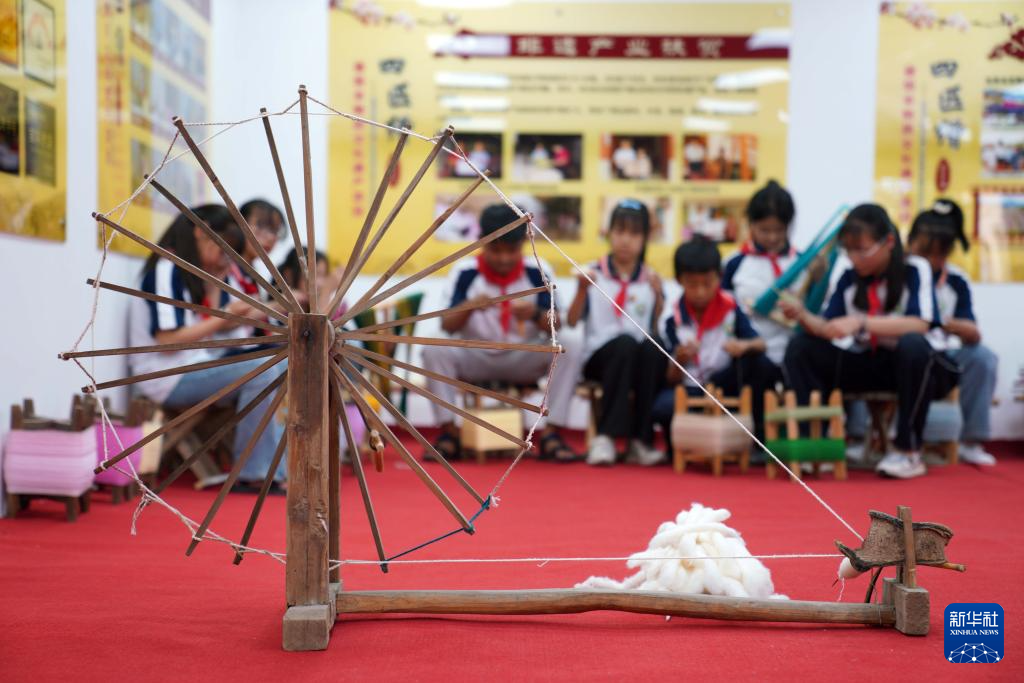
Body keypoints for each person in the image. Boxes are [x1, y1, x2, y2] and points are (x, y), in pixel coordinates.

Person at [781, 204, 959, 479]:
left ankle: (908, 450)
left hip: (922, 368)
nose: (854, 258)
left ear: (889, 242)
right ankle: (812, 445)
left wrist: (861, 322)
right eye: (849, 250)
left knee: (912, 345)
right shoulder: (849, 278)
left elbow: (920, 323)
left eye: (861, 250)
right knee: (801, 347)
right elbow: (830, 329)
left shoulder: (915, 269)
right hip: (871, 362)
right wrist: (802, 315)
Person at [128, 205, 287, 490]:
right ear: (201, 232)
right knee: (265, 370)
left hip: (196, 365)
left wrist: (221, 296)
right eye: (224, 247)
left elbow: (212, 327)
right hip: (167, 376)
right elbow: (168, 340)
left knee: (285, 361)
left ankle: (278, 468)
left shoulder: (195, 271)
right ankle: (255, 474)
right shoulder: (167, 269)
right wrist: (223, 315)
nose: (227, 257)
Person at [421, 204, 583, 462]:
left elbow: (558, 324)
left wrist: (535, 314)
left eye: (511, 250)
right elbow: (447, 325)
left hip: (524, 357)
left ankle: (552, 434)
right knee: (432, 347)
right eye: (496, 250)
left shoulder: (538, 271)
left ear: (524, 244)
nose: (504, 258)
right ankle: (449, 434)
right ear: (482, 243)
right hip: (477, 357)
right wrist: (468, 307)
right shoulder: (465, 272)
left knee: (570, 344)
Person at [568, 199, 665, 466]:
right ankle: (605, 437)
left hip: (635, 359)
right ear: (608, 233)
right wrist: (581, 290)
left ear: (645, 239)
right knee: (624, 344)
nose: (625, 240)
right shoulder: (593, 272)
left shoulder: (650, 279)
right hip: (599, 360)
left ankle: (640, 441)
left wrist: (659, 298)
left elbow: (655, 327)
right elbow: (571, 321)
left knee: (654, 347)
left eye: (634, 233)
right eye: (620, 231)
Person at [652, 236, 775, 441]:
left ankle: (757, 438)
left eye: (707, 283)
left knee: (760, 364)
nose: (700, 292)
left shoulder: (731, 307)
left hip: (724, 384)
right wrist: (680, 359)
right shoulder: (672, 319)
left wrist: (743, 346)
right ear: (679, 280)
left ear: (719, 277)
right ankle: (682, 443)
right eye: (692, 284)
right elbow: (671, 378)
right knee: (662, 408)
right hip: (691, 388)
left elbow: (761, 344)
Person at [908, 199, 998, 465]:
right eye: (924, 251)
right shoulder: (899, 274)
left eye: (938, 254)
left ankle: (971, 441)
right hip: (904, 351)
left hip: (943, 355)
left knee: (983, 357)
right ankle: (858, 438)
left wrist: (946, 323)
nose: (930, 260)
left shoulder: (956, 281)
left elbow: (973, 332)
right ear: (911, 243)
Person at [721, 180, 803, 383]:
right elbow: (724, 309)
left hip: (793, 351)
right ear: (751, 224)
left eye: (779, 230)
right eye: (764, 230)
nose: (772, 237)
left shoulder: (802, 263)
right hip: (749, 352)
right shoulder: (734, 263)